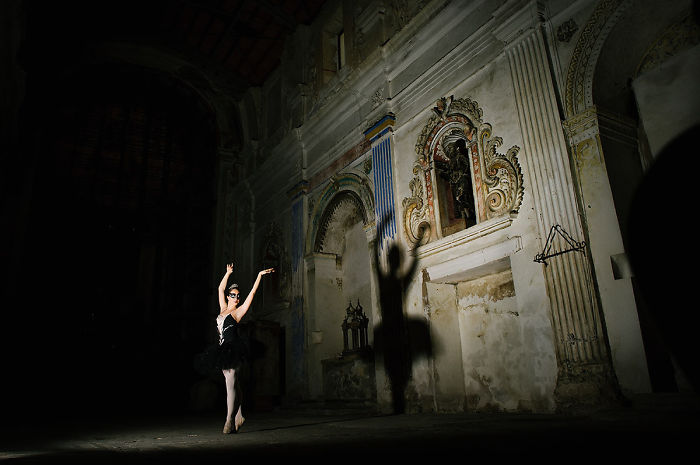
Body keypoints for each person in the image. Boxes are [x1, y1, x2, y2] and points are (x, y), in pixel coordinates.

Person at [214, 263, 274, 434]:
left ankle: (228, 420)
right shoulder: (223, 309)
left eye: (238, 296)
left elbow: (252, 294)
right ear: (228, 297)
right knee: (233, 384)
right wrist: (228, 273)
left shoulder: (237, 313)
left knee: (230, 383)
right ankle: (239, 413)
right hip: (221, 351)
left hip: (233, 350)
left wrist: (260, 275)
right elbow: (220, 289)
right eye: (233, 295)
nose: (236, 297)